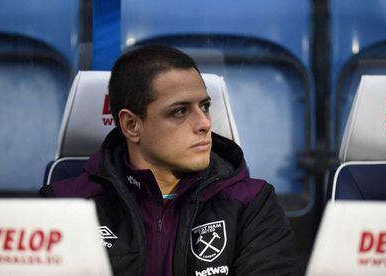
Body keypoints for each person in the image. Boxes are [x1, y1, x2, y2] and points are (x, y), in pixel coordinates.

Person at [40, 44, 300, 276]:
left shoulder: (253, 202)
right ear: (131, 125)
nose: (204, 123)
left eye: (205, 106)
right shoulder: (63, 204)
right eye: (179, 111)